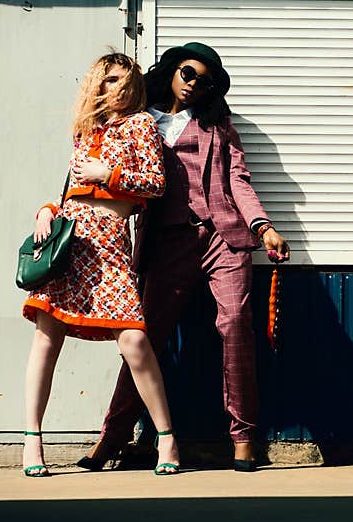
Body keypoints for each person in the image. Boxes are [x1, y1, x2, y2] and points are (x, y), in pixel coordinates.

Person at [77, 42, 289, 473]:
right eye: (188, 73)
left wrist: (262, 226)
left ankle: (244, 439)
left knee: (234, 327)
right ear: (173, 71)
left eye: (205, 81)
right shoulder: (138, 123)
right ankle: (112, 438)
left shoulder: (218, 125)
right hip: (166, 242)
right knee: (144, 337)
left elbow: (239, 181)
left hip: (223, 237)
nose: (194, 84)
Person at [22, 52, 180, 477]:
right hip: (71, 239)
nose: (115, 89)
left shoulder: (141, 124)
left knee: (133, 342)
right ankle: (32, 441)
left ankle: (167, 439)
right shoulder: (85, 130)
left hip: (109, 243)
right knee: (46, 339)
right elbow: (70, 187)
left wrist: (107, 173)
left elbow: (155, 183)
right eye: (107, 80)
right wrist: (45, 211)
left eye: (122, 81)